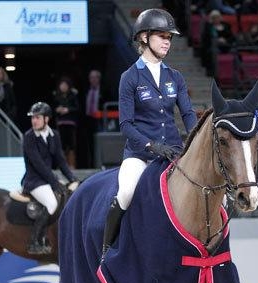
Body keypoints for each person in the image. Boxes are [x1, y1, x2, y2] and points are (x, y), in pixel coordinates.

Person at [102, 8, 197, 255]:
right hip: (140, 154)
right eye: (162, 36)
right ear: (144, 37)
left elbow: (187, 114)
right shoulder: (130, 77)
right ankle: (107, 251)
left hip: (174, 151)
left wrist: (195, 139)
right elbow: (126, 125)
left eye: (170, 37)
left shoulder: (174, 76)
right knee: (126, 192)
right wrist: (151, 146)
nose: (167, 41)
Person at [21, 102, 79, 254]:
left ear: (47, 119)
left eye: (37, 118)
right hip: (34, 180)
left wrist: (73, 178)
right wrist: (55, 183)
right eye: (33, 118)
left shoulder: (54, 135)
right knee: (52, 203)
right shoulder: (29, 137)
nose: (34, 121)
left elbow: (60, 160)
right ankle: (34, 242)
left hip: (47, 179)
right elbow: (38, 164)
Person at [52, 78, 80, 169]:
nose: (63, 87)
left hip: (70, 123)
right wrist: (58, 110)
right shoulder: (56, 96)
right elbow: (53, 109)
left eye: (65, 85)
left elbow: (77, 108)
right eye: (62, 85)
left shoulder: (73, 95)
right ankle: (62, 166)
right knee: (61, 146)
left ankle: (71, 165)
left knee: (71, 145)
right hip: (60, 123)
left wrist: (67, 110)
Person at [84, 69, 109, 167]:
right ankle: (90, 164)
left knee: (100, 141)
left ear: (99, 79)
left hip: (100, 119)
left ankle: (100, 163)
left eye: (95, 77)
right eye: (91, 77)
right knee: (89, 143)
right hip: (88, 119)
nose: (93, 79)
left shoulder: (104, 90)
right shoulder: (86, 90)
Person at [200, 10, 235, 76]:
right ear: (212, 19)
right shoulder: (209, 27)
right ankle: (213, 72)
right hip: (214, 46)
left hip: (226, 46)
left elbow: (232, 37)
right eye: (214, 18)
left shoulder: (226, 26)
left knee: (235, 52)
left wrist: (225, 40)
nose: (216, 19)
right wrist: (216, 40)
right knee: (212, 52)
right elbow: (206, 39)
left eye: (217, 17)